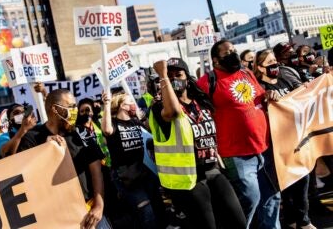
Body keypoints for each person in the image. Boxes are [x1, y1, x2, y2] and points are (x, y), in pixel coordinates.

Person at [149, 57, 246, 229]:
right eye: (169, 77)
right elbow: (173, 112)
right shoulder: (159, 107)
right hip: (190, 179)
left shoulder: (200, 102)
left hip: (213, 170)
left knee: (237, 221)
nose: (174, 80)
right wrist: (163, 76)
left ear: (187, 77)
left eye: (178, 75)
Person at [197, 39, 281, 229]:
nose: (233, 54)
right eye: (227, 53)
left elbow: (259, 97)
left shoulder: (246, 73)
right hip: (236, 154)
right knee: (250, 199)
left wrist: (269, 95)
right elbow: (201, 117)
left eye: (234, 50)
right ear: (215, 60)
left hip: (264, 147)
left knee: (272, 197)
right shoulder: (207, 82)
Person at [17, 89, 107, 229]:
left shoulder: (81, 132)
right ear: (55, 109)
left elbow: (96, 170)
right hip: (60, 217)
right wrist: (43, 151)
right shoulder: (32, 138)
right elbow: (24, 176)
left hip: (90, 212)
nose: (75, 110)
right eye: (70, 106)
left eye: (75, 106)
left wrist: (99, 206)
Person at [254, 49, 316, 229]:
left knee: (302, 178)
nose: (275, 65)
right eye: (269, 63)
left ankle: (303, 220)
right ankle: (292, 220)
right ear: (260, 67)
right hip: (276, 143)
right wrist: (267, 99)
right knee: (287, 183)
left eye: (275, 60)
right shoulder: (259, 87)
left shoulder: (285, 79)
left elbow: (304, 95)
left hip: (296, 137)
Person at [101, 91, 166, 229]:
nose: (133, 104)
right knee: (146, 212)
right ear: (123, 106)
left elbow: (150, 132)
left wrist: (151, 110)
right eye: (131, 102)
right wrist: (106, 104)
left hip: (143, 172)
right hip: (125, 176)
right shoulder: (113, 123)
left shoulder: (136, 122)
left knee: (158, 207)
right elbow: (106, 130)